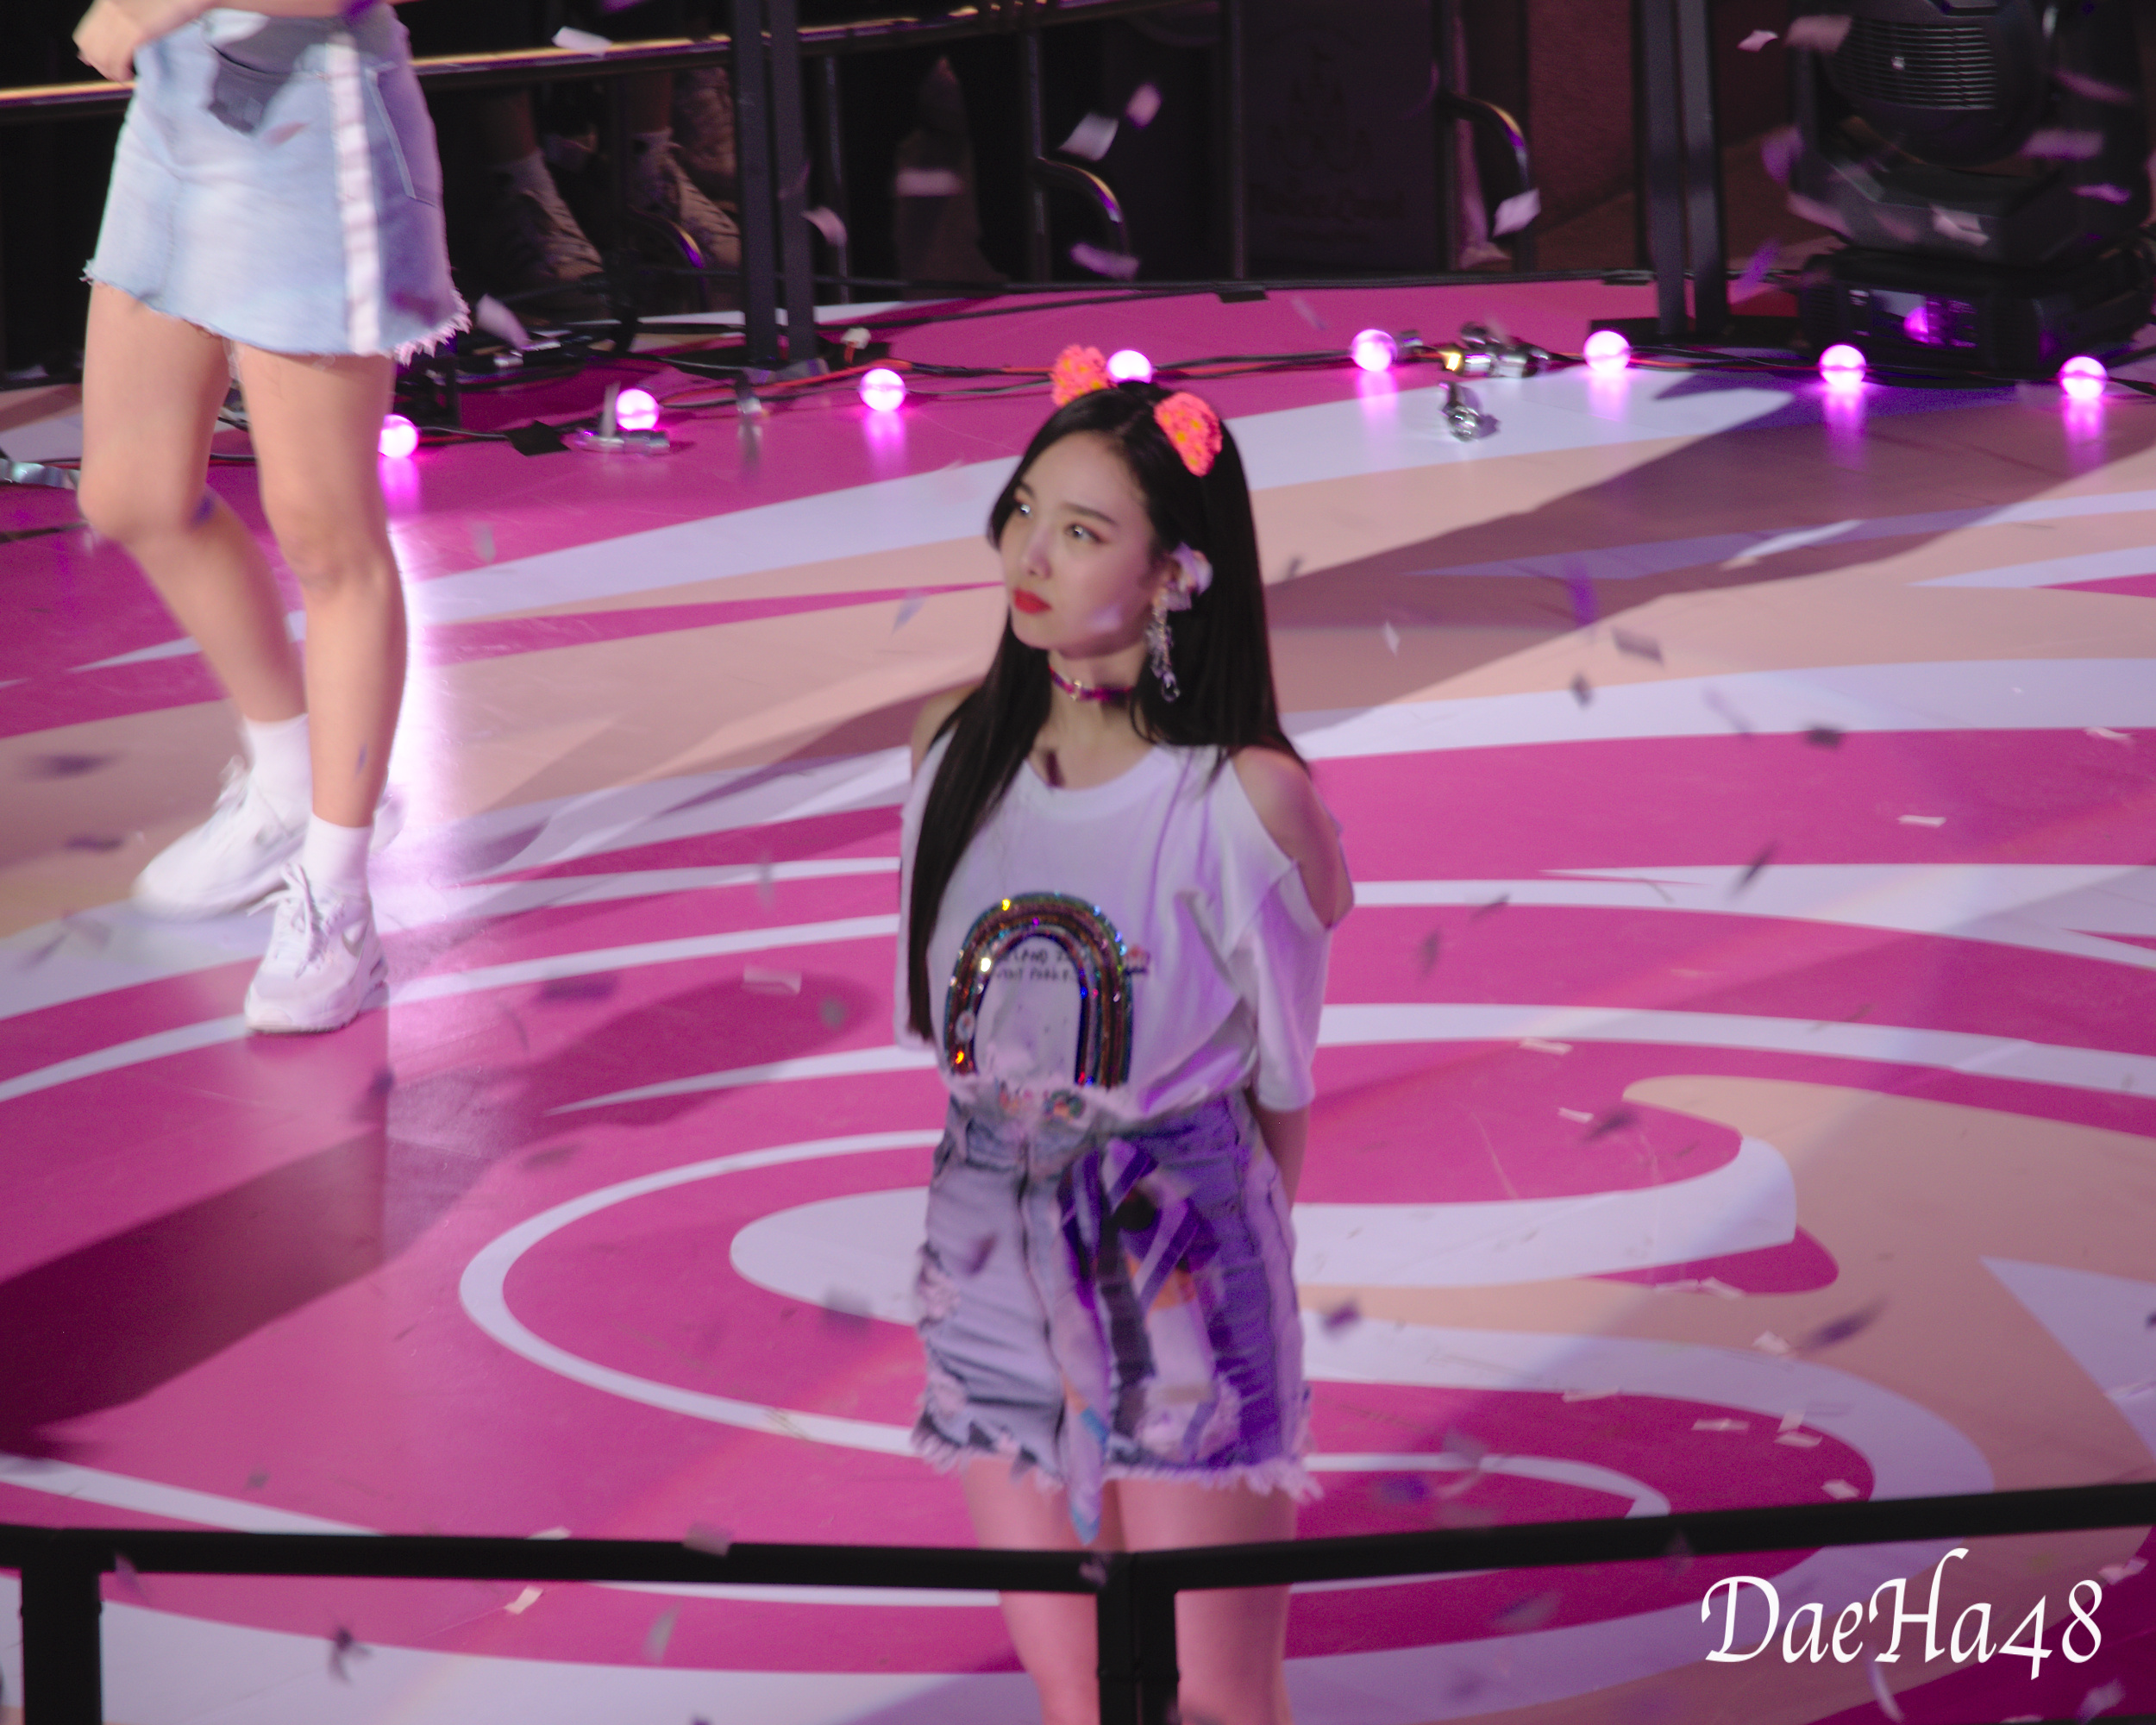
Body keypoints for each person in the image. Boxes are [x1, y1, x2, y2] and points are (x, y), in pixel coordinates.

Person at [896, 346, 1354, 1725]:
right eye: (1023, 511)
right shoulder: (948, 752)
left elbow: (1280, 1089)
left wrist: (1218, 1259)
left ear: (1176, 576)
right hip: (984, 1235)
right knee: (1069, 1686)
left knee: (1214, 1697)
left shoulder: (1243, 803)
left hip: (1176, 1244)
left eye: (1083, 530)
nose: (1029, 554)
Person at [74, 0, 465, 1032]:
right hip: (176, 120)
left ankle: (337, 897)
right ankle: (288, 783)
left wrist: (148, 7)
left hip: (312, 129)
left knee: (327, 538)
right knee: (131, 492)